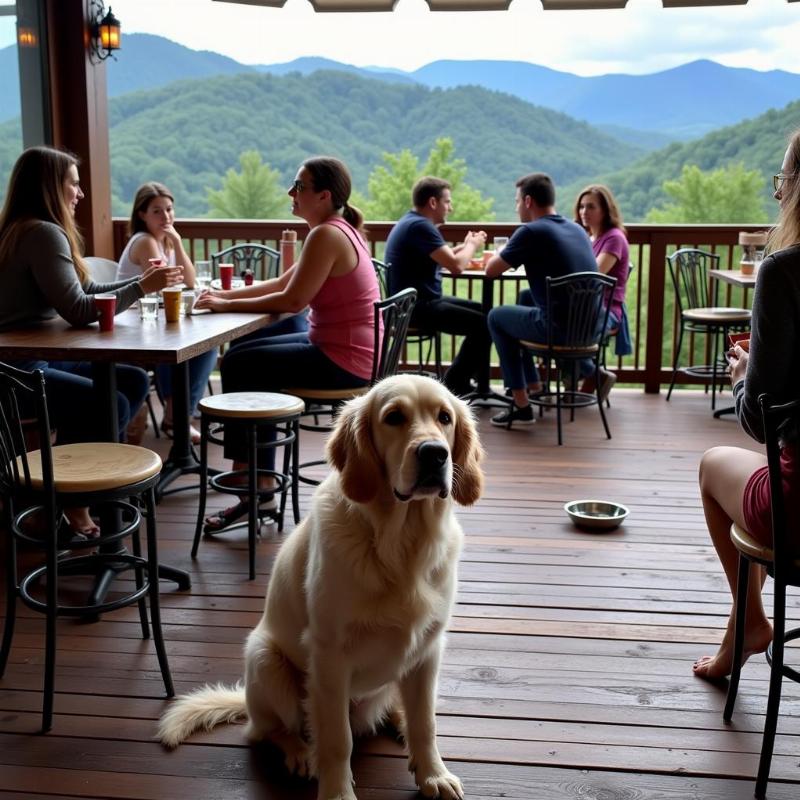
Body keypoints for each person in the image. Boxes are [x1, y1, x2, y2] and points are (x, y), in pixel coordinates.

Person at [0, 146, 182, 537]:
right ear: (51, 187)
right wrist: (141, 285)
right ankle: (73, 503)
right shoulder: (42, 234)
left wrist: (141, 285)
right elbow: (81, 310)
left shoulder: (33, 229)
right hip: (16, 370)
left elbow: (90, 290)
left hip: (33, 359)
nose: (79, 192)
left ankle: (71, 491)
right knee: (106, 401)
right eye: (74, 183)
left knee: (130, 380)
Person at [194, 156, 381, 532]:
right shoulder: (338, 229)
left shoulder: (327, 234)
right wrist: (228, 294)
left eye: (299, 186)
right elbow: (284, 284)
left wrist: (227, 303)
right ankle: (257, 478)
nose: (291, 192)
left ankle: (251, 478)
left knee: (239, 365)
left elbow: (294, 301)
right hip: (348, 350)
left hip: (342, 359)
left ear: (323, 195)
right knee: (243, 356)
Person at [693, 130, 800, 681]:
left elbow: (761, 422)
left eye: (784, 181)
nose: (778, 196)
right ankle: (741, 630)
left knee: (716, 464)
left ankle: (751, 620)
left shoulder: (784, 272)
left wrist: (741, 377)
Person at [484, 172, 598, 428]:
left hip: (557, 330)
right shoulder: (576, 229)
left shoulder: (530, 232)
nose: (516, 208)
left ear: (528, 201)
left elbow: (491, 270)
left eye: (516, 202)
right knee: (525, 298)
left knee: (496, 317)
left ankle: (521, 404)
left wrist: (505, 251)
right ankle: (534, 385)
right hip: (588, 329)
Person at [117, 182, 216, 443]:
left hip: (154, 319)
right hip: (131, 323)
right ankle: (178, 418)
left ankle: (178, 415)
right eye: (157, 211)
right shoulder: (145, 242)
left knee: (208, 344)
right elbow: (167, 285)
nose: (166, 217)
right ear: (142, 214)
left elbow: (192, 282)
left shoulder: (166, 242)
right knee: (180, 344)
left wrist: (177, 241)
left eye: (169, 210)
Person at [384, 176, 490, 397]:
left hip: (414, 303)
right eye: (447, 202)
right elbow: (456, 266)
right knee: (484, 323)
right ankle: (455, 383)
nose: (450, 208)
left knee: (486, 312)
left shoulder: (413, 223)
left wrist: (465, 246)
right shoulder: (421, 227)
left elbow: (447, 256)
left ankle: (473, 380)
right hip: (415, 308)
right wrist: (472, 245)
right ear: (433, 203)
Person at [573, 184, 633, 399]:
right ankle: (589, 376)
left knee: (563, 329)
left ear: (605, 210)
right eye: (581, 206)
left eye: (591, 207)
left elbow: (593, 277)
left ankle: (591, 374)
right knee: (539, 306)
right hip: (586, 308)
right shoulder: (590, 237)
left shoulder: (614, 238)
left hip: (606, 311)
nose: (584, 212)